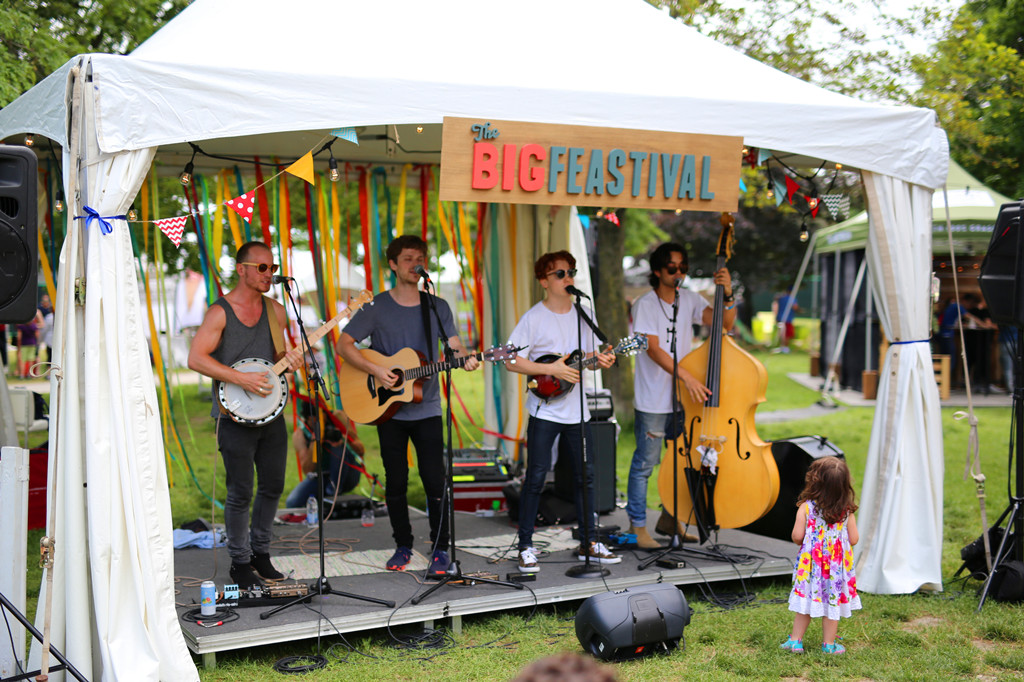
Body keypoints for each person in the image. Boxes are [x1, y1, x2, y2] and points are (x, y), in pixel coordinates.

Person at [336, 235, 479, 575]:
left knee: (435, 479)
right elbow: (344, 344)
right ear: (393, 265)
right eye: (408, 258)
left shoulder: (437, 306)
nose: (416, 264)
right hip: (388, 409)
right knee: (396, 480)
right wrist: (377, 370)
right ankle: (403, 544)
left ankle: (441, 548)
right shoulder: (377, 307)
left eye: (420, 258)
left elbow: (454, 347)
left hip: (427, 408)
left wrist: (466, 359)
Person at [188, 241, 304, 590]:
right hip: (233, 416)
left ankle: (261, 554)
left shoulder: (277, 311)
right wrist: (241, 379)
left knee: (273, 486)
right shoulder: (219, 312)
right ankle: (239, 561)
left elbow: (278, 355)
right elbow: (196, 358)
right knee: (241, 490)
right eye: (262, 268)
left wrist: (292, 361)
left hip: (272, 414)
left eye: (272, 267)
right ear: (241, 269)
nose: (270, 274)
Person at [504, 250, 619, 573]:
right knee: (536, 477)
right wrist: (553, 367)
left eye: (571, 272)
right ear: (544, 281)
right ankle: (526, 545)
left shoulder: (584, 313)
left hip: (578, 412)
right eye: (560, 274)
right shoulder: (533, 318)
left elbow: (590, 358)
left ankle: (588, 539)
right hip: (545, 410)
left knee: (588, 476)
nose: (568, 278)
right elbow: (511, 360)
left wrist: (602, 360)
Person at [625, 242, 735, 549]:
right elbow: (654, 349)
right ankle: (636, 527)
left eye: (683, 267)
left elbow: (725, 323)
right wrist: (686, 377)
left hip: (682, 401)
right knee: (645, 463)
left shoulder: (690, 299)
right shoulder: (645, 304)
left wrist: (728, 293)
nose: (679, 273)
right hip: (653, 399)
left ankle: (670, 518)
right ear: (658, 271)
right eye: (672, 268)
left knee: (680, 460)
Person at [781, 456, 861, 655]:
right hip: (835, 571)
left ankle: (795, 641)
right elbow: (854, 539)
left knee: (805, 603)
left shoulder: (806, 508)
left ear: (815, 482)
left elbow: (797, 536)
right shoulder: (846, 511)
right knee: (832, 604)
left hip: (810, 569)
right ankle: (829, 645)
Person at [285, 399, 366, 509]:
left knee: (337, 448)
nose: (318, 422)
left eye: (321, 418)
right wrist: (315, 441)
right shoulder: (300, 434)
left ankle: (332, 492)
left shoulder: (337, 417)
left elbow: (361, 451)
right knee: (292, 502)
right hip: (321, 476)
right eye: (314, 420)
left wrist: (344, 438)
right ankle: (327, 496)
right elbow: (308, 471)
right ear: (307, 419)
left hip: (348, 473)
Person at [774, 288, 800, 353]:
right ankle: (785, 348)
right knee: (786, 334)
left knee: (782, 333)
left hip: (780, 318)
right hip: (787, 319)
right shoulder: (791, 299)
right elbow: (795, 307)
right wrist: (799, 310)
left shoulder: (781, 298)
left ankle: (782, 347)